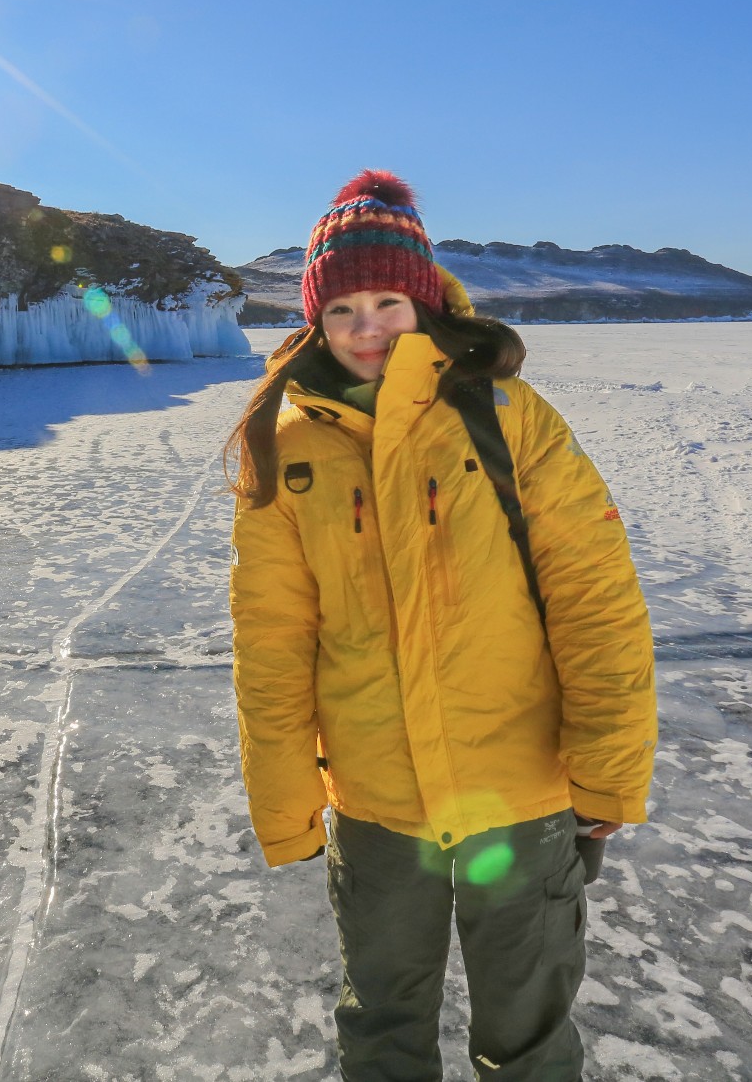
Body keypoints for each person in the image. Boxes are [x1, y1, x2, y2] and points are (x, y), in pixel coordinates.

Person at [227, 170, 657, 1080]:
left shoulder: (509, 419)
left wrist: (609, 766)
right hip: (378, 800)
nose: (368, 325)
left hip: (521, 789)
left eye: (387, 299)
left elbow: (596, 598)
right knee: (382, 1024)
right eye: (342, 307)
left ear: (423, 301)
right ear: (314, 320)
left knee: (529, 1034)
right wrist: (283, 795)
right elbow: (271, 638)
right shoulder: (286, 448)